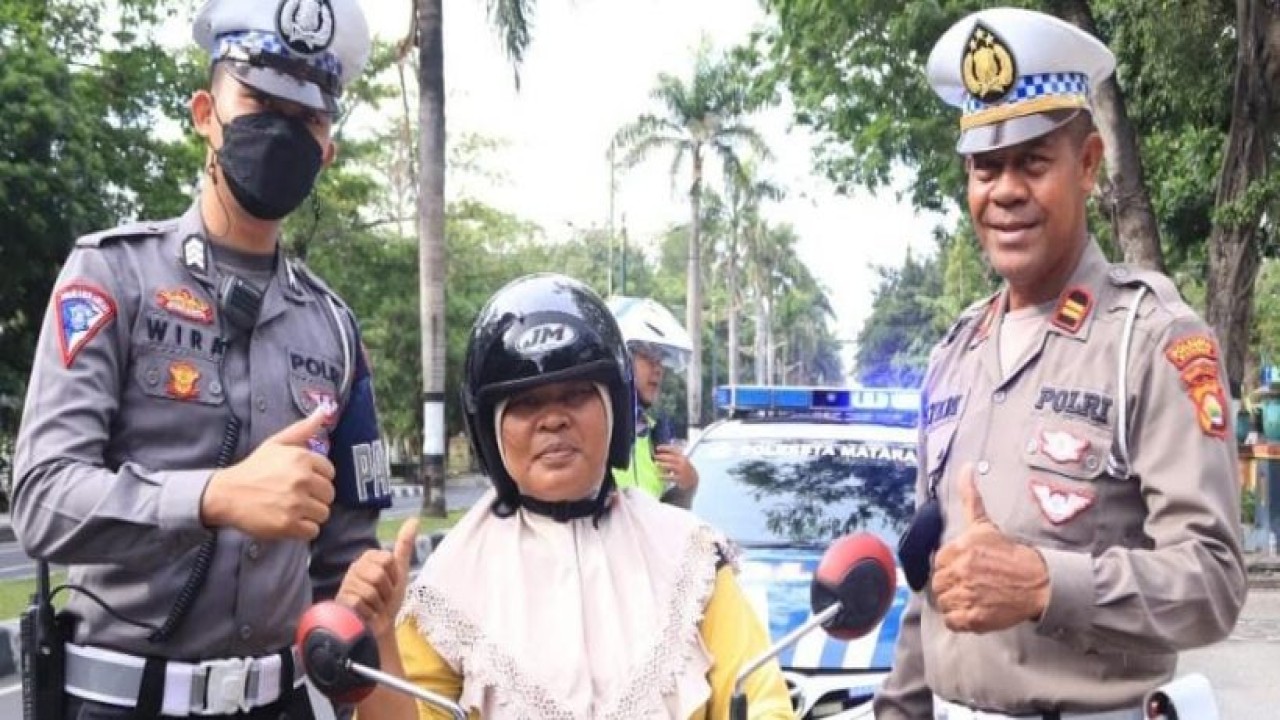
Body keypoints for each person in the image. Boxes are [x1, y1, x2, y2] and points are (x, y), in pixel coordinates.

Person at [10, 1, 392, 717]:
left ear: (328, 150)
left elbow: (345, 554)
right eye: (258, 101)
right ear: (203, 113)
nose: (281, 130)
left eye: (306, 117)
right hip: (120, 702)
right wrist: (214, 497)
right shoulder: (110, 277)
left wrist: (368, 591)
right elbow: (41, 498)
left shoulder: (335, 330)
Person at [875, 7, 1247, 719]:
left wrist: (1047, 583)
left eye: (1032, 163)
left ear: (1087, 165)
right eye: (986, 168)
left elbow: (1216, 580)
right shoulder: (956, 353)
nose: (1005, 191)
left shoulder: (1151, 341)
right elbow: (935, 586)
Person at [334, 274, 793, 719]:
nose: (552, 420)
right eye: (525, 404)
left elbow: (758, 698)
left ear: (615, 407)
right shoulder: (452, 583)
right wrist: (380, 634)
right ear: (491, 432)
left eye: (575, 396)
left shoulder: (689, 559)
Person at [607, 296, 700, 506]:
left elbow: (663, 523)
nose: (658, 368)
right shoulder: (594, 431)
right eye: (648, 356)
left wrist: (688, 485)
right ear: (620, 358)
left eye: (661, 360)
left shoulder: (654, 436)